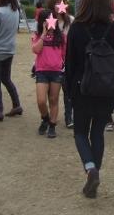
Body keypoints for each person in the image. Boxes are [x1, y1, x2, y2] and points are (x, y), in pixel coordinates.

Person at [65, 0, 114, 198]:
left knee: (80, 132)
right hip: (107, 90)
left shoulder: (76, 28)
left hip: (82, 89)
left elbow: (71, 64)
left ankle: (90, 169)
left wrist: (69, 92)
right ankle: (95, 174)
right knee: (98, 134)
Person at [32, 8, 66, 138]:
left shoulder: (61, 36)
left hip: (56, 71)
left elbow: (64, 53)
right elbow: (36, 50)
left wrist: (61, 64)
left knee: (54, 99)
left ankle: (52, 125)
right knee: (41, 100)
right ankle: (45, 118)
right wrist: (43, 34)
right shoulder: (37, 35)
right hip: (42, 71)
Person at [47, 0, 74, 129]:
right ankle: (52, 116)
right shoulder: (48, 22)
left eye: (61, 3)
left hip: (68, 60)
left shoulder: (71, 21)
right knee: (52, 91)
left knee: (68, 89)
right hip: (53, 61)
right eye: (56, 3)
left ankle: (69, 115)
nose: (59, 6)